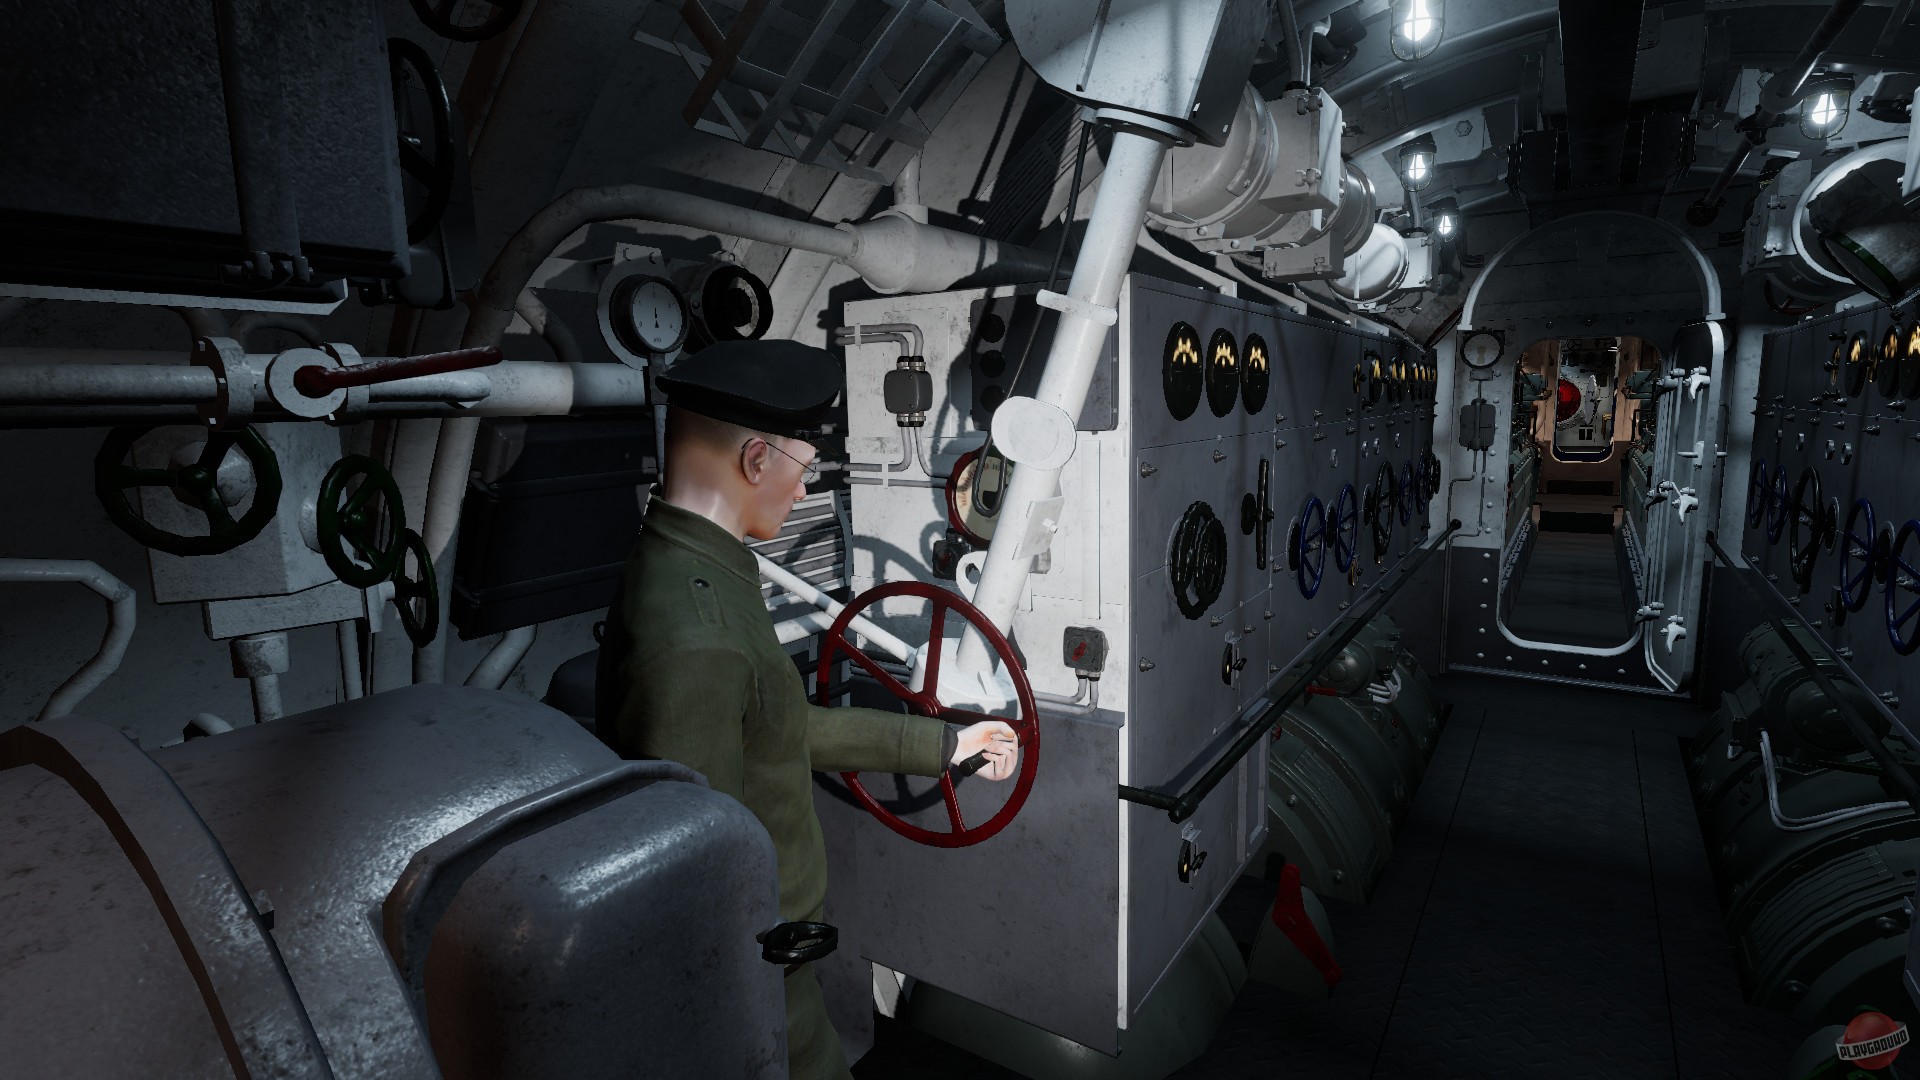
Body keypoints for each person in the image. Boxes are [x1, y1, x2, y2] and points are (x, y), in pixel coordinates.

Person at [597, 338, 1020, 1080]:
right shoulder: (698, 636)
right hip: (755, 969)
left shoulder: (690, 564)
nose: (803, 492)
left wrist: (946, 746)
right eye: (803, 469)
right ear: (756, 460)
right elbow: (697, 869)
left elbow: (780, 726)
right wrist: (748, 970)